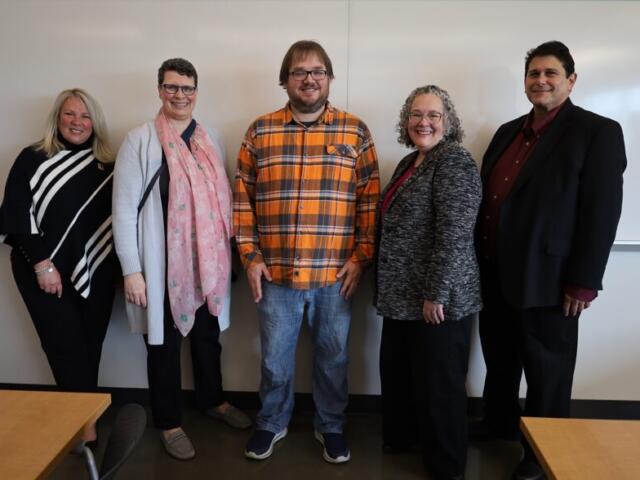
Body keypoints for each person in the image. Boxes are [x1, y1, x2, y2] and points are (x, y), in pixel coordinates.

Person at [475, 41, 626, 480]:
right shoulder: (507, 132)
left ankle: (541, 452)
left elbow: (602, 212)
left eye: (551, 73)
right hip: (495, 271)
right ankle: (498, 422)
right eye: (533, 74)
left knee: (548, 371)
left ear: (571, 80)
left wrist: (584, 281)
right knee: (500, 358)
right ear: (525, 83)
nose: (541, 80)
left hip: (551, 277)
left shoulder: (596, 131)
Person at [234, 40, 380, 463]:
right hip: (275, 274)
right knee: (275, 360)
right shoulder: (260, 130)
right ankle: (271, 422)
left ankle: (330, 426)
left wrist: (361, 257)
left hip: (336, 276)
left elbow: (369, 200)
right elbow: (241, 199)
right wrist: (251, 256)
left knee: (333, 359)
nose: (309, 79)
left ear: (330, 78)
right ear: (285, 80)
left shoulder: (354, 131)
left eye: (318, 71)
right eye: (299, 72)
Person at [112, 58, 250, 461]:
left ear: (196, 92)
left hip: (209, 265)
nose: (180, 95)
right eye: (172, 87)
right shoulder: (140, 140)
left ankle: (213, 400)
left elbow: (222, 201)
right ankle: (169, 422)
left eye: (187, 88)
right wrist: (132, 271)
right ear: (159, 90)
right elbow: (123, 210)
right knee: (164, 345)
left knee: (208, 338)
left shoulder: (212, 139)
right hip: (162, 266)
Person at [0, 88, 118, 447]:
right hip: (41, 270)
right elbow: (17, 214)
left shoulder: (107, 165)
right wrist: (42, 264)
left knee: (90, 344)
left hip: (96, 268)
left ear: (94, 122)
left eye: (85, 116)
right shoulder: (33, 158)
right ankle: (84, 425)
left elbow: (118, 218)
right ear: (57, 118)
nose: (77, 122)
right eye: (70, 114)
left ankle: (81, 413)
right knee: (64, 346)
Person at [375, 85, 482, 480]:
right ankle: (409, 442)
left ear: (448, 122)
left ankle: (447, 467)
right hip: (403, 299)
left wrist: (436, 292)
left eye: (434, 115)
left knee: (440, 387)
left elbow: (454, 233)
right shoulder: (411, 162)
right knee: (404, 376)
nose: (424, 122)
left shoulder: (454, 162)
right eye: (417, 114)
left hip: (439, 301)